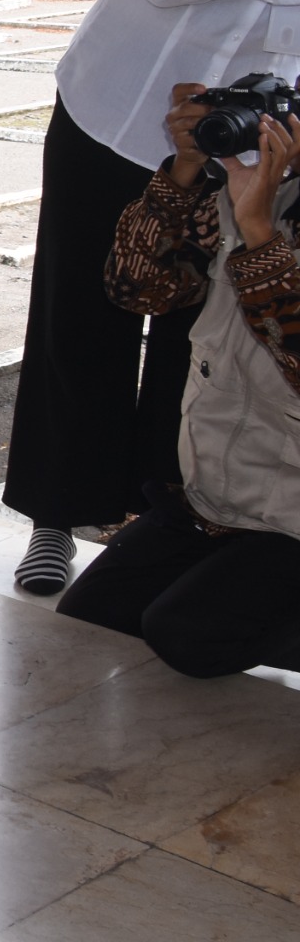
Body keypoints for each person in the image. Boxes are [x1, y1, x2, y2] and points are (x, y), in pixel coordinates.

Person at [3, 0, 300, 595]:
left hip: (238, 143)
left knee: (196, 338)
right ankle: (56, 516)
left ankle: (163, 520)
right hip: (118, 112)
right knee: (81, 317)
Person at [58, 91, 300, 676]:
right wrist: (186, 170)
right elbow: (136, 288)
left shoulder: (259, 210)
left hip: (293, 518)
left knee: (188, 636)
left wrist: (260, 234)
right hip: (219, 502)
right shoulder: (258, 191)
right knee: (93, 615)